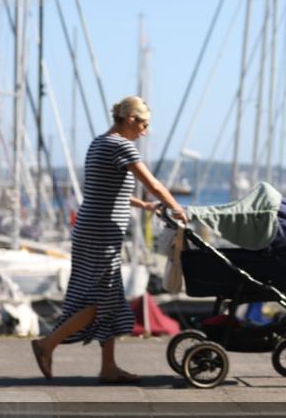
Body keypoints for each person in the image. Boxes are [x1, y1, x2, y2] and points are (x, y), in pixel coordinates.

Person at [31, 96, 188, 383]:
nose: (145, 131)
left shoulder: (98, 143)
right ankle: (47, 344)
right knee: (102, 299)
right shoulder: (120, 145)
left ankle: (108, 368)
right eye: (144, 124)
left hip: (93, 228)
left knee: (110, 299)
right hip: (101, 232)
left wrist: (146, 207)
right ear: (130, 118)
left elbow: (107, 190)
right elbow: (152, 183)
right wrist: (176, 207)